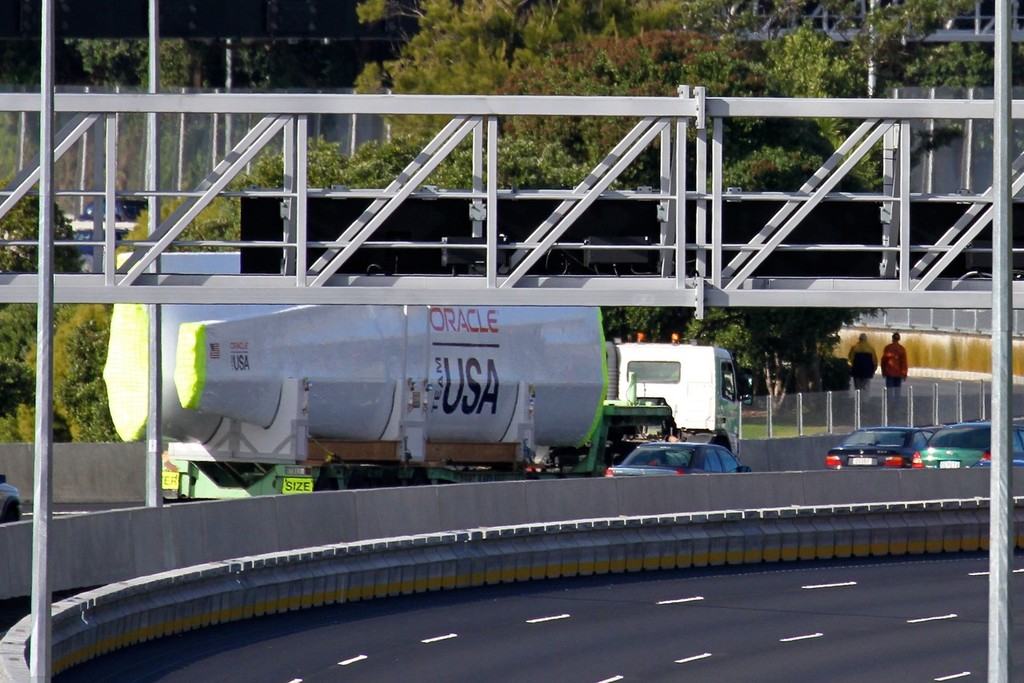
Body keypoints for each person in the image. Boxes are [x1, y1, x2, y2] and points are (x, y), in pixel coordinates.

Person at [881, 332, 909, 401]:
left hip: (889, 372)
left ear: (892, 338)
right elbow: (904, 363)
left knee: (889, 390)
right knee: (897, 391)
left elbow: (883, 361)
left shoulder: (888, 348)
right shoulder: (902, 349)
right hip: (898, 373)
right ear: (899, 339)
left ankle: (889, 404)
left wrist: (883, 371)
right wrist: (904, 373)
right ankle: (896, 405)